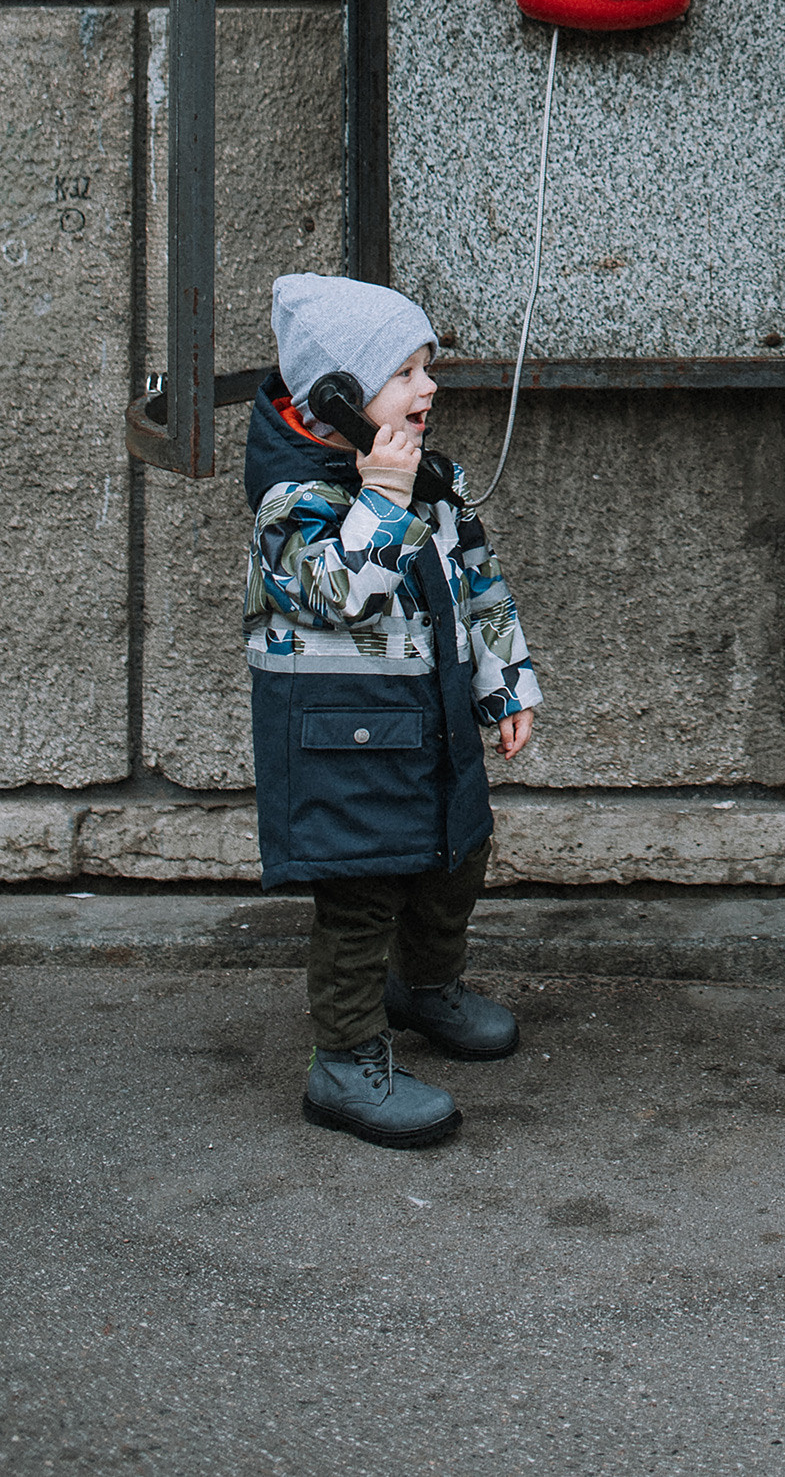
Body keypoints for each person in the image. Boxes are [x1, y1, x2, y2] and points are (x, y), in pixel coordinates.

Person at [245, 273, 543, 1149]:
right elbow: (342, 596)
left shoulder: (432, 481)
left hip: (432, 719)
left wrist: (506, 682)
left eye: (429, 368)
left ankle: (425, 985)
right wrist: (380, 498)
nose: (430, 390)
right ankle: (344, 1060)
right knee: (362, 892)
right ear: (334, 397)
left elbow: (477, 581)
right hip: (341, 742)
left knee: (459, 851)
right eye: (406, 373)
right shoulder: (290, 506)